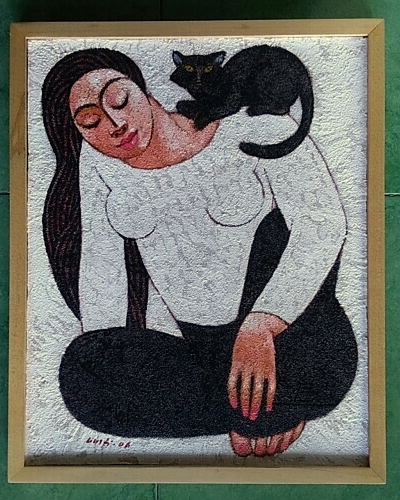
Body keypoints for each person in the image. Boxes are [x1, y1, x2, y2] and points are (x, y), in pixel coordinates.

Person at [42, 48, 358, 458]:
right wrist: (117, 351)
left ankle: (272, 400)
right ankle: (269, 409)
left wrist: (263, 325)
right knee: (84, 371)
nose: (116, 125)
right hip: (196, 351)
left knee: (279, 244)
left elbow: (323, 224)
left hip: (288, 334)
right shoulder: (98, 164)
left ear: (144, 89)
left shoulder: (256, 123)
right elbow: (103, 271)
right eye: (91, 122)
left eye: (120, 100)